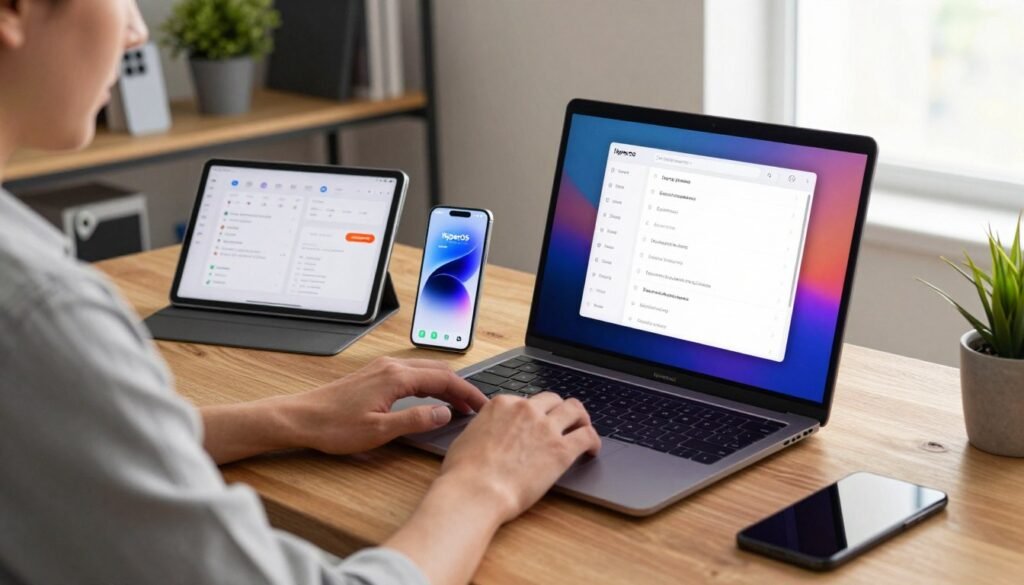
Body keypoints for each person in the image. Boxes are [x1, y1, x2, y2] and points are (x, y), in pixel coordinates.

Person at [0, 1, 601, 583]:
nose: (136, 31)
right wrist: (483, 484)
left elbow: (75, 441)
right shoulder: (42, 314)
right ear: (14, 11)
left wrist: (289, 416)